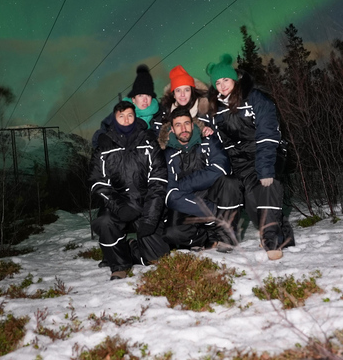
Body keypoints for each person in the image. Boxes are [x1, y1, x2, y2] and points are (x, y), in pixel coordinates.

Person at [206, 54, 294, 260]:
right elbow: (222, 145)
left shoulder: (256, 99)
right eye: (217, 82)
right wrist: (209, 135)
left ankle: (271, 240)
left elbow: (268, 134)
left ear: (235, 78)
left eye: (225, 80)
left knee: (265, 189)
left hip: (266, 153)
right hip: (240, 161)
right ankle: (227, 237)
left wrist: (265, 169)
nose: (222, 86)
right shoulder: (216, 109)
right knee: (228, 184)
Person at [90, 101, 170, 280]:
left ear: (135, 117)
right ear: (115, 118)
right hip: (118, 205)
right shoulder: (104, 146)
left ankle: (130, 248)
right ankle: (119, 265)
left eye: (130, 116)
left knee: (159, 259)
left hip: (144, 204)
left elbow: (158, 181)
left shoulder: (149, 141)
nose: (126, 120)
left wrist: (150, 219)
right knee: (104, 222)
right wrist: (118, 206)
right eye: (121, 116)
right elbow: (98, 182)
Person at [159, 106, 242, 251]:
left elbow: (220, 169)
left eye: (186, 123)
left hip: (210, 194)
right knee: (171, 233)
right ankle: (205, 238)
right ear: (172, 129)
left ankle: (226, 237)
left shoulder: (208, 140)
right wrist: (211, 212)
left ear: (192, 124)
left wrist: (183, 185)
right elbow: (171, 195)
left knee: (230, 182)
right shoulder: (167, 154)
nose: (183, 128)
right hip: (188, 203)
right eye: (178, 125)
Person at [92, 64, 163, 147]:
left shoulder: (160, 114)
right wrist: (101, 137)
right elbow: (102, 131)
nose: (145, 100)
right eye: (140, 95)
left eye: (148, 95)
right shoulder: (120, 111)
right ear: (133, 99)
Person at [159, 65, 212, 132]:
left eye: (186, 90)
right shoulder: (165, 114)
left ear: (192, 92)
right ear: (174, 94)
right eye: (178, 90)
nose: (182, 94)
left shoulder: (207, 111)